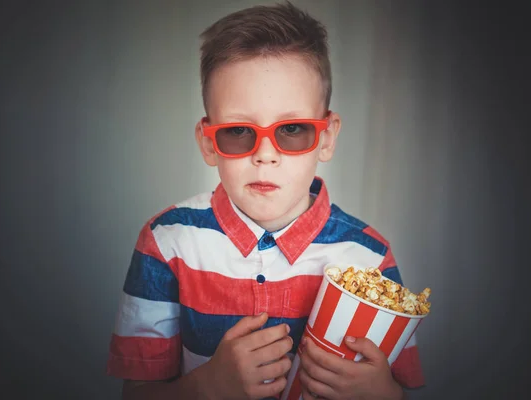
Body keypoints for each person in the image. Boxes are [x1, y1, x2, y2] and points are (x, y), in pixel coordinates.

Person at [106, 2, 425, 399]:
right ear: (208, 143)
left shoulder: (371, 259)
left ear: (326, 138)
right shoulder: (168, 244)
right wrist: (207, 387)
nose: (266, 153)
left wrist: (384, 395)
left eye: (292, 129)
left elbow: (403, 390)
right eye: (239, 131)